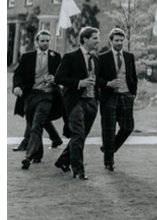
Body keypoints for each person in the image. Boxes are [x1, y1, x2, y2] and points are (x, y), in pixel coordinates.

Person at [54, 27, 101, 180]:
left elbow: (98, 80)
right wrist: (79, 83)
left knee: (81, 136)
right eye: (95, 38)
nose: (98, 41)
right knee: (79, 134)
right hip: (75, 101)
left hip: (92, 101)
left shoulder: (96, 59)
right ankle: (79, 171)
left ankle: (62, 161)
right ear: (85, 39)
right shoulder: (70, 56)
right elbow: (58, 78)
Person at [13, 30, 64, 170]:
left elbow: (62, 74)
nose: (45, 43)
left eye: (48, 40)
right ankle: (38, 154)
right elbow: (18, 74)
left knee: (37, 124)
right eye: (42, 41)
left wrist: (55, 78)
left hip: (47, 95)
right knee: (32, 124)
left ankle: (28, 156)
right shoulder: (27, 57)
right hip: (30, 95)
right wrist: (17, 86)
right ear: (37, 42)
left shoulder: (56, 56)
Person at [95, 28, 138, 172]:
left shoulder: (129, 56)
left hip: (126, 95)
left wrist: (133, 94)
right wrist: (108, 83)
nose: (119, 43)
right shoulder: (102, 57)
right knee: (109, 130)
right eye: (117, 40)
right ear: (111, 41)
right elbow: (96, 78)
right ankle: (109, 162)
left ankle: (108, 148)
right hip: (109, 96)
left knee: (128, 127)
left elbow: (133, 76)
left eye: (121, 40)